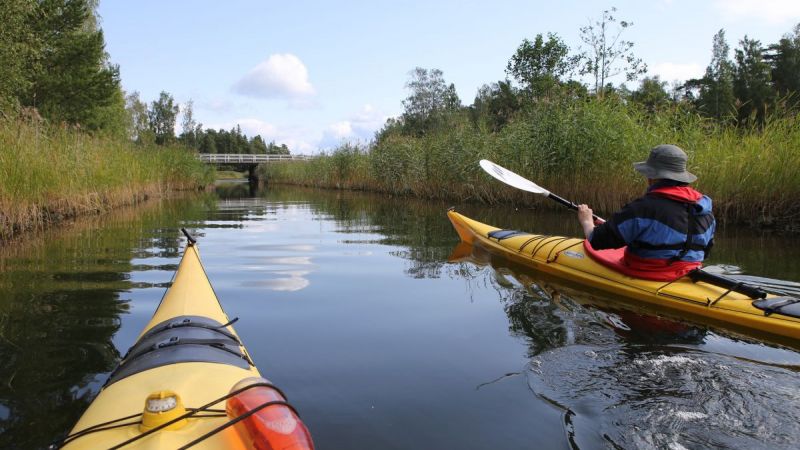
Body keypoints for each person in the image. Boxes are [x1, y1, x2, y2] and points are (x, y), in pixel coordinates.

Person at [577, 144, 716, 277]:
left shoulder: (643, 208)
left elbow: (596, 240)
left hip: (648, 273)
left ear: (651, 177)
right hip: (689, 273)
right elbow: (706, 251)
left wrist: (587, 221)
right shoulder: (705, 210)